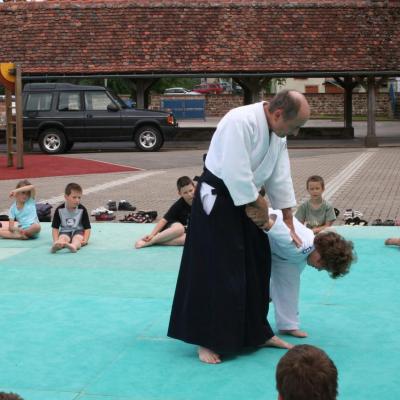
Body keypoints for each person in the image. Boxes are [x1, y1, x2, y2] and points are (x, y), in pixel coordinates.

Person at [168, 90, 311, 364]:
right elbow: (235, 172)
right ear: (279, 114)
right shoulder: (240, 121)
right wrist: (260, 208)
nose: (295, 132)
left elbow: (279, 173)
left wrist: (288, 217)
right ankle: (207, 338)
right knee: (218, 268)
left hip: (248, 198)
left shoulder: (277, 133)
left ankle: (258, 331)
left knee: (258, 262)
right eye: (295, 126)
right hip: (220, 198)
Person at [266, 209, 355, 338]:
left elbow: (284, 288)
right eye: (323, 265)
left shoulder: (303, 256)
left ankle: (288, 325)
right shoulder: (300, 246)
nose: (319, 269)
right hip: (254, 235)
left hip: (280, 255)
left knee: (289, 286)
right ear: (320, 251)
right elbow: (273, 219)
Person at [135, 176, 194, 249]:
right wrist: (152, 235)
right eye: (185, 192)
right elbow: (163, 220)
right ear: (180, 193)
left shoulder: (200, 201)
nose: (189, 194)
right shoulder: (179, 204)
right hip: (172, 226)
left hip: (183, 231)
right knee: (180, 229)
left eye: (191, 190)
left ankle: (157, 241)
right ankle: (149, 242)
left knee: (189, 239)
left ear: (195, 188)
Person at [51, 183, 91, 253]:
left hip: (78, 231)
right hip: (65, 231)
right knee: (62, 238)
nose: (77, 200)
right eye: (74, 197)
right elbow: (55, 228)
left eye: (79, 197)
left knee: (77, 239)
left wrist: (85, 240)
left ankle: (73, 246)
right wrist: (56, 240)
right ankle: (57, 245)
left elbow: (87, 227)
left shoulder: (82, 209)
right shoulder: (59, 210)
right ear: (66, 197)